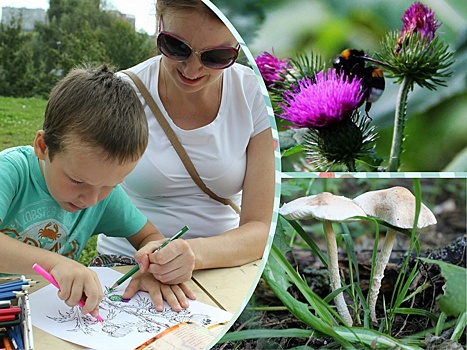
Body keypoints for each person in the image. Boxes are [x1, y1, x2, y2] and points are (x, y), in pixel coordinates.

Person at [0, 65, 196, 318]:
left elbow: (149, 237)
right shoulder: (11, 171)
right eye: (77, 181)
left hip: (36, 315)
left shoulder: (101, 194)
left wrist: (156, 262)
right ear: (43, 147)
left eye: (110, 185)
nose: (91, 199)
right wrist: (56, 263)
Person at [97, 0, 275, 272]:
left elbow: (261, 227)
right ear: (159, 25)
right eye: (176, 47)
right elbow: (82, 192)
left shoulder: (253, 93)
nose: (192, 71)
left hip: (223, 267)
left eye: (216, 56)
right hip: (126, 263)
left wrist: (194, 254)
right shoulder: (122, 93)